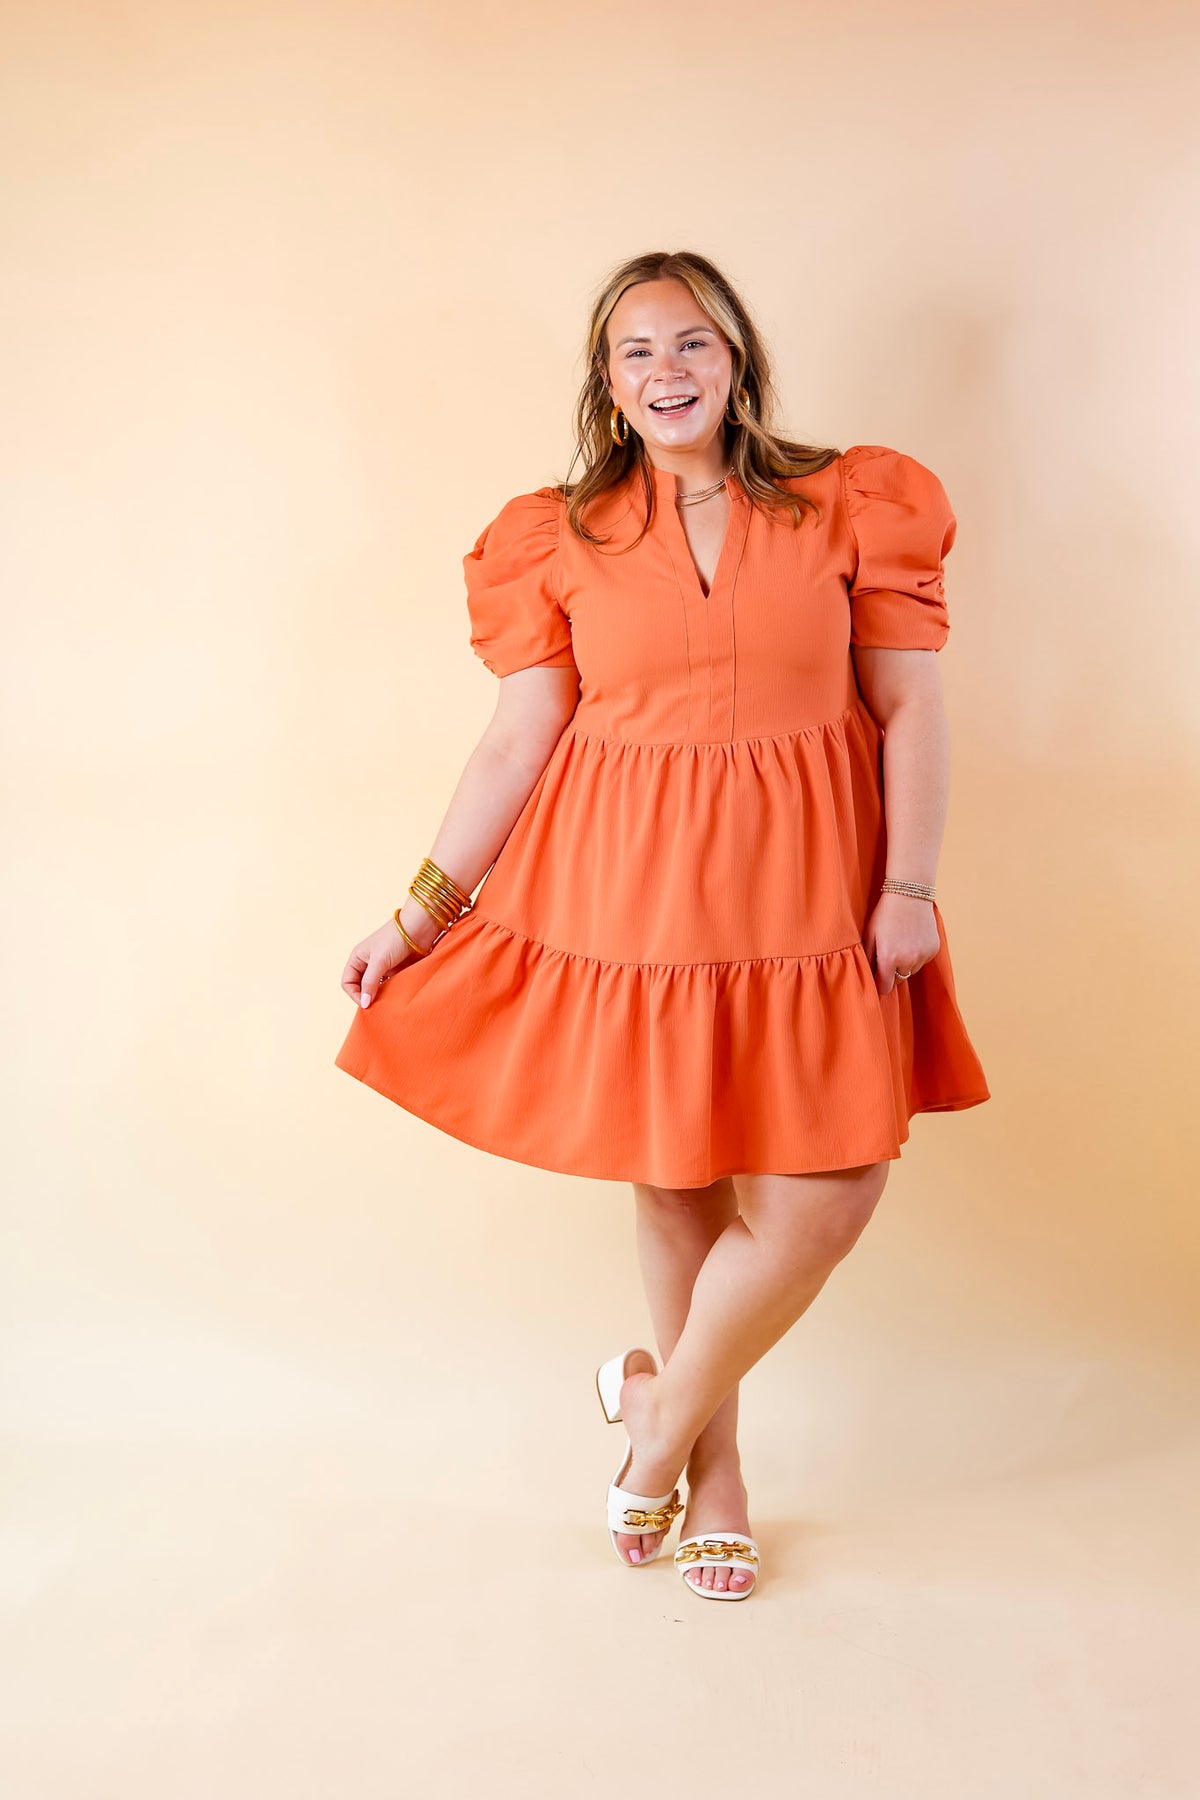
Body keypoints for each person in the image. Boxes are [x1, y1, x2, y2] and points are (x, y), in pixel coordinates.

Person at [335, 248, 991, 1602]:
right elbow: (517, 741)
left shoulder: (850, 503)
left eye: (691, 341)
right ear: (607, 381)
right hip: (628, 890)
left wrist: (910, 886)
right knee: (681, 1176)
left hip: (813, 888)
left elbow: (910, 705)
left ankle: (657, 1416)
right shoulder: (557, 535)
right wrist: (418, 915)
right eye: (636, 350)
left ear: (736, 356)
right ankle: (717, 1478)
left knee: (831, 1191)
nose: (667, 370)